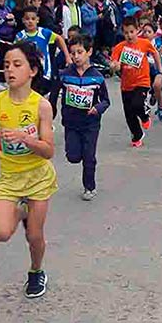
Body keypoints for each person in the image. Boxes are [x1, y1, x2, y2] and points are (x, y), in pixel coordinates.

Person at [0, 41, 57, 298]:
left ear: (32, 71)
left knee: (34, 236)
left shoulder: (41, 106)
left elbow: (49, 150)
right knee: (0, 233)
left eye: (17, 64)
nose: (10, 70)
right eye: (6, 65)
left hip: (38, 176)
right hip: (11, 177)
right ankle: (22, 209)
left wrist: (25, 139)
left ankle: (36, 271)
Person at [50, 33, 109, 201]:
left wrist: (97, 108)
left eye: (80, 52)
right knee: (73, 156)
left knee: (89, 156)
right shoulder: (65, 74)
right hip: (71, 124)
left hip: (91, 124)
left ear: (89, 52)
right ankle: (80, 153)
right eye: (73, 53)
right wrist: (49, 116)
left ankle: (89, 187)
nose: (76, 56)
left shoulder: (97, 76)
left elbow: (106, 100)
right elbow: (53, 97)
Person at [110, 17, 162, 147]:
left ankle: (145, 116)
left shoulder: (144, 43)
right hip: (126, 85)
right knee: (129, 113)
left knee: (137, 104)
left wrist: (160, 69)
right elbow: (114, 64)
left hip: (142, 82)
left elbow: (155, 53)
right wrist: (114, 66)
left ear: (137, 30)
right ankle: (137, 135)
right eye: (126, 32)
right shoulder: (119, 47)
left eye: (131, 31)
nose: (129, 35)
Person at [15, 6, 70, 101]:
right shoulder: (20, 36)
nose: (30, 21)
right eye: (27, 19)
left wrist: (67, 56)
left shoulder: (44, 33)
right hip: (27, 74)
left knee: (42, 101)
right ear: (23, 20)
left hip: (45, 74)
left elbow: (59, 39)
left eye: (33, 19)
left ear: (38, 20)